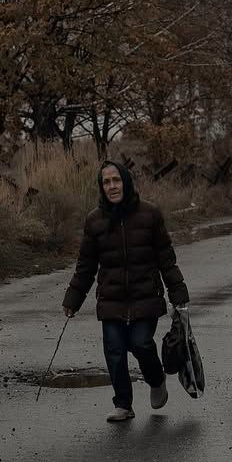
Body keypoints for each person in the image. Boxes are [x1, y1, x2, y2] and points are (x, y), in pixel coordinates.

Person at [62, 160, 190, 422]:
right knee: (115, 350)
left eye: (116, 180)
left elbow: (166, 258)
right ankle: (123, 404)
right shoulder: (94, 221)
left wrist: (178, 294)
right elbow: (85, 266)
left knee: (141, 343)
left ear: (126, 182)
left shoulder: (150, 214)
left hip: (146, 296)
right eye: (106, 182)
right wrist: (73, 299)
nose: (112, 186)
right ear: (101, 187)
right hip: (111, 299)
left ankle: (156, 380)